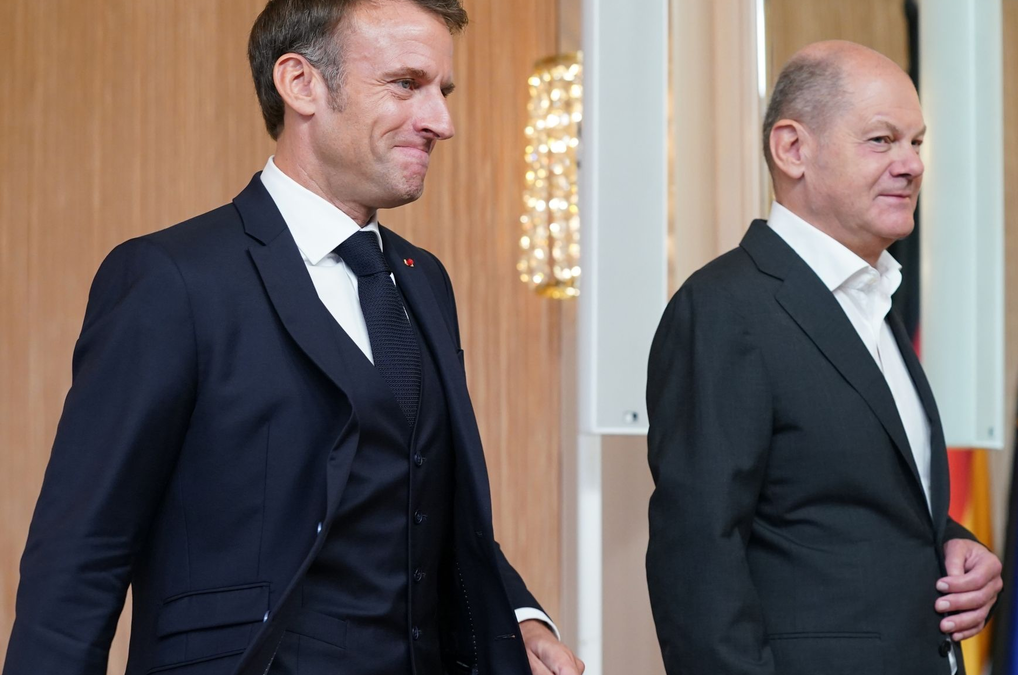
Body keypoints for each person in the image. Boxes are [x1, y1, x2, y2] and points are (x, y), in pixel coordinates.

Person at [2, 1, 584, 674]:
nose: (441, 121)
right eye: (406, 84)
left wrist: (521, 618)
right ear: (300, 83)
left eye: (442, 92)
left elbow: (426, 513)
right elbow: (82, 554)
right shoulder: (171, 281)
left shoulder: (427, 284)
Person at [645, 40, 1002, 675]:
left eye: (916, 143)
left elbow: (839, 500)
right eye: (882, 140)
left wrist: (953, 545)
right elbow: (698, 558)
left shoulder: (873, 299)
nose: (911, 165)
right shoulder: (727, 309)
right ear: (793, 150)